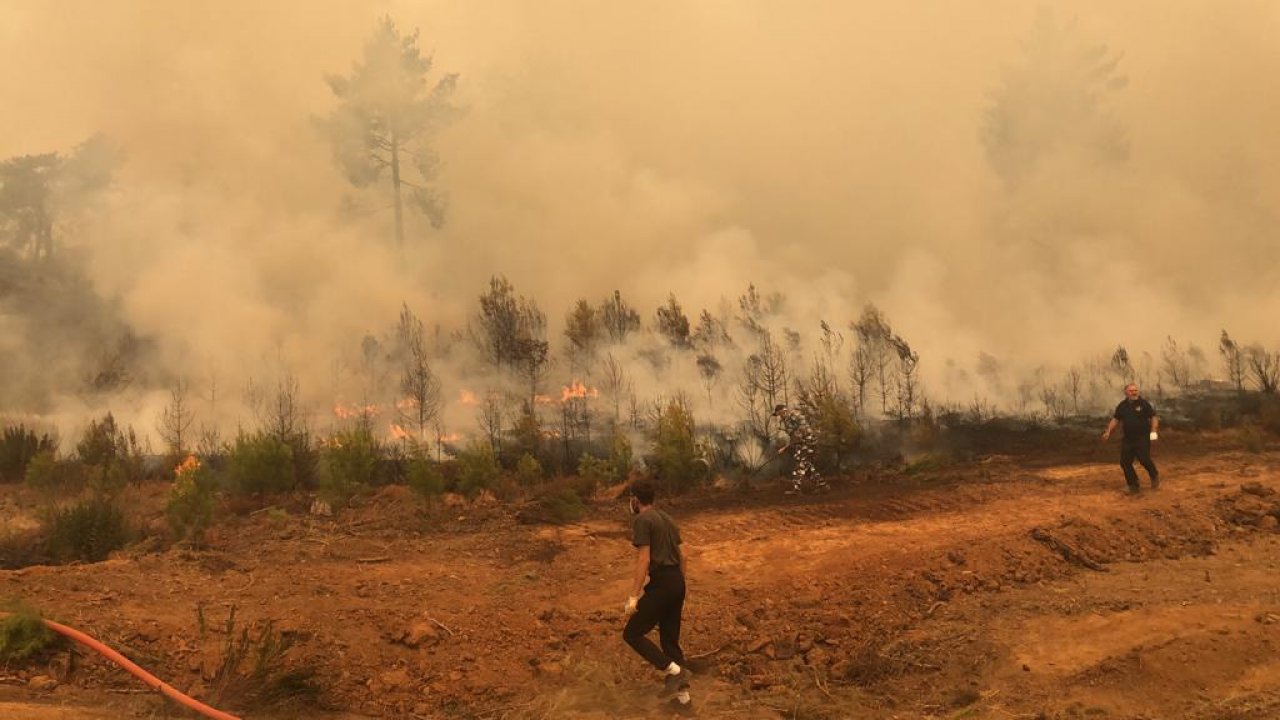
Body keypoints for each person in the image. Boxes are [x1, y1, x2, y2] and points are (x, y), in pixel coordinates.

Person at [621, 479, 692, 713]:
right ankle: (684, 702)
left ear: (635, 500)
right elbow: (682, 557)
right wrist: (681, 587)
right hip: (677, 582)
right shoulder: (667, 519)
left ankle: (674, 671)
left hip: (662, 583)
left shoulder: (643, 520)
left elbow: (644, 559)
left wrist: (633, 596)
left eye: (630, 499)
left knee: (632, 633)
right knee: (670, 640)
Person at [1102, 383, 1160, 494]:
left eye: (1136, 390)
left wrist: (1153, 431)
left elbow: (1153, 417)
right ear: (1126, 392)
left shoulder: (1144, 404)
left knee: (1144, 459)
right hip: (1128, 438)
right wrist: (1108, 431)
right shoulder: (1122, 406)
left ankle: (1154, 475)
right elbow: (1116, 419)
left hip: (1142, 437)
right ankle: (1133, 485)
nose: (1134, 392)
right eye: (1131, 390)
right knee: (1125, 462)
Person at [772, 403, 828, 494]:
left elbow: (803, 428)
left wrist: (797, 437)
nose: (778, 416)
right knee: (807, 466)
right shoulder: (785, 421)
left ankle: (796, 489)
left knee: (800, 464)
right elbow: (792, 436)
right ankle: (822, 485)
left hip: (808, 442)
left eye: (778, 413)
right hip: (801, 443)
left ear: (783, 411)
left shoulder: (794, 415)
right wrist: (784, 447)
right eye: (777, 415)